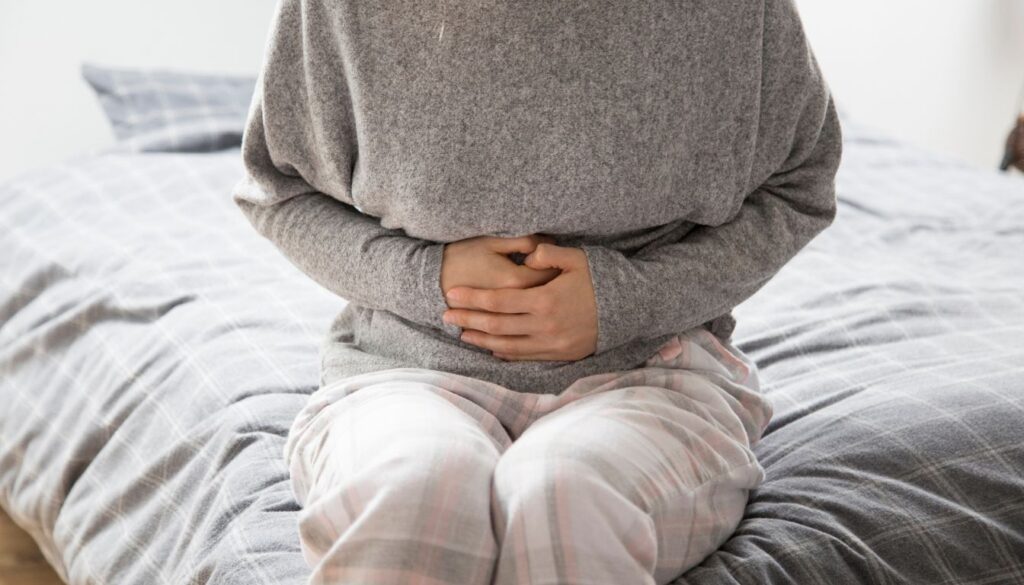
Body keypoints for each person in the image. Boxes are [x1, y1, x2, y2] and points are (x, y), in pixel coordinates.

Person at [231, 0, 842, 583]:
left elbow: (800, 186)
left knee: (565, 497)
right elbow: (278, 189)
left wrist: (628, 299)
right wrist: (426, 277)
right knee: (412, 495)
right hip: (402, 371)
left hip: (657, 373)